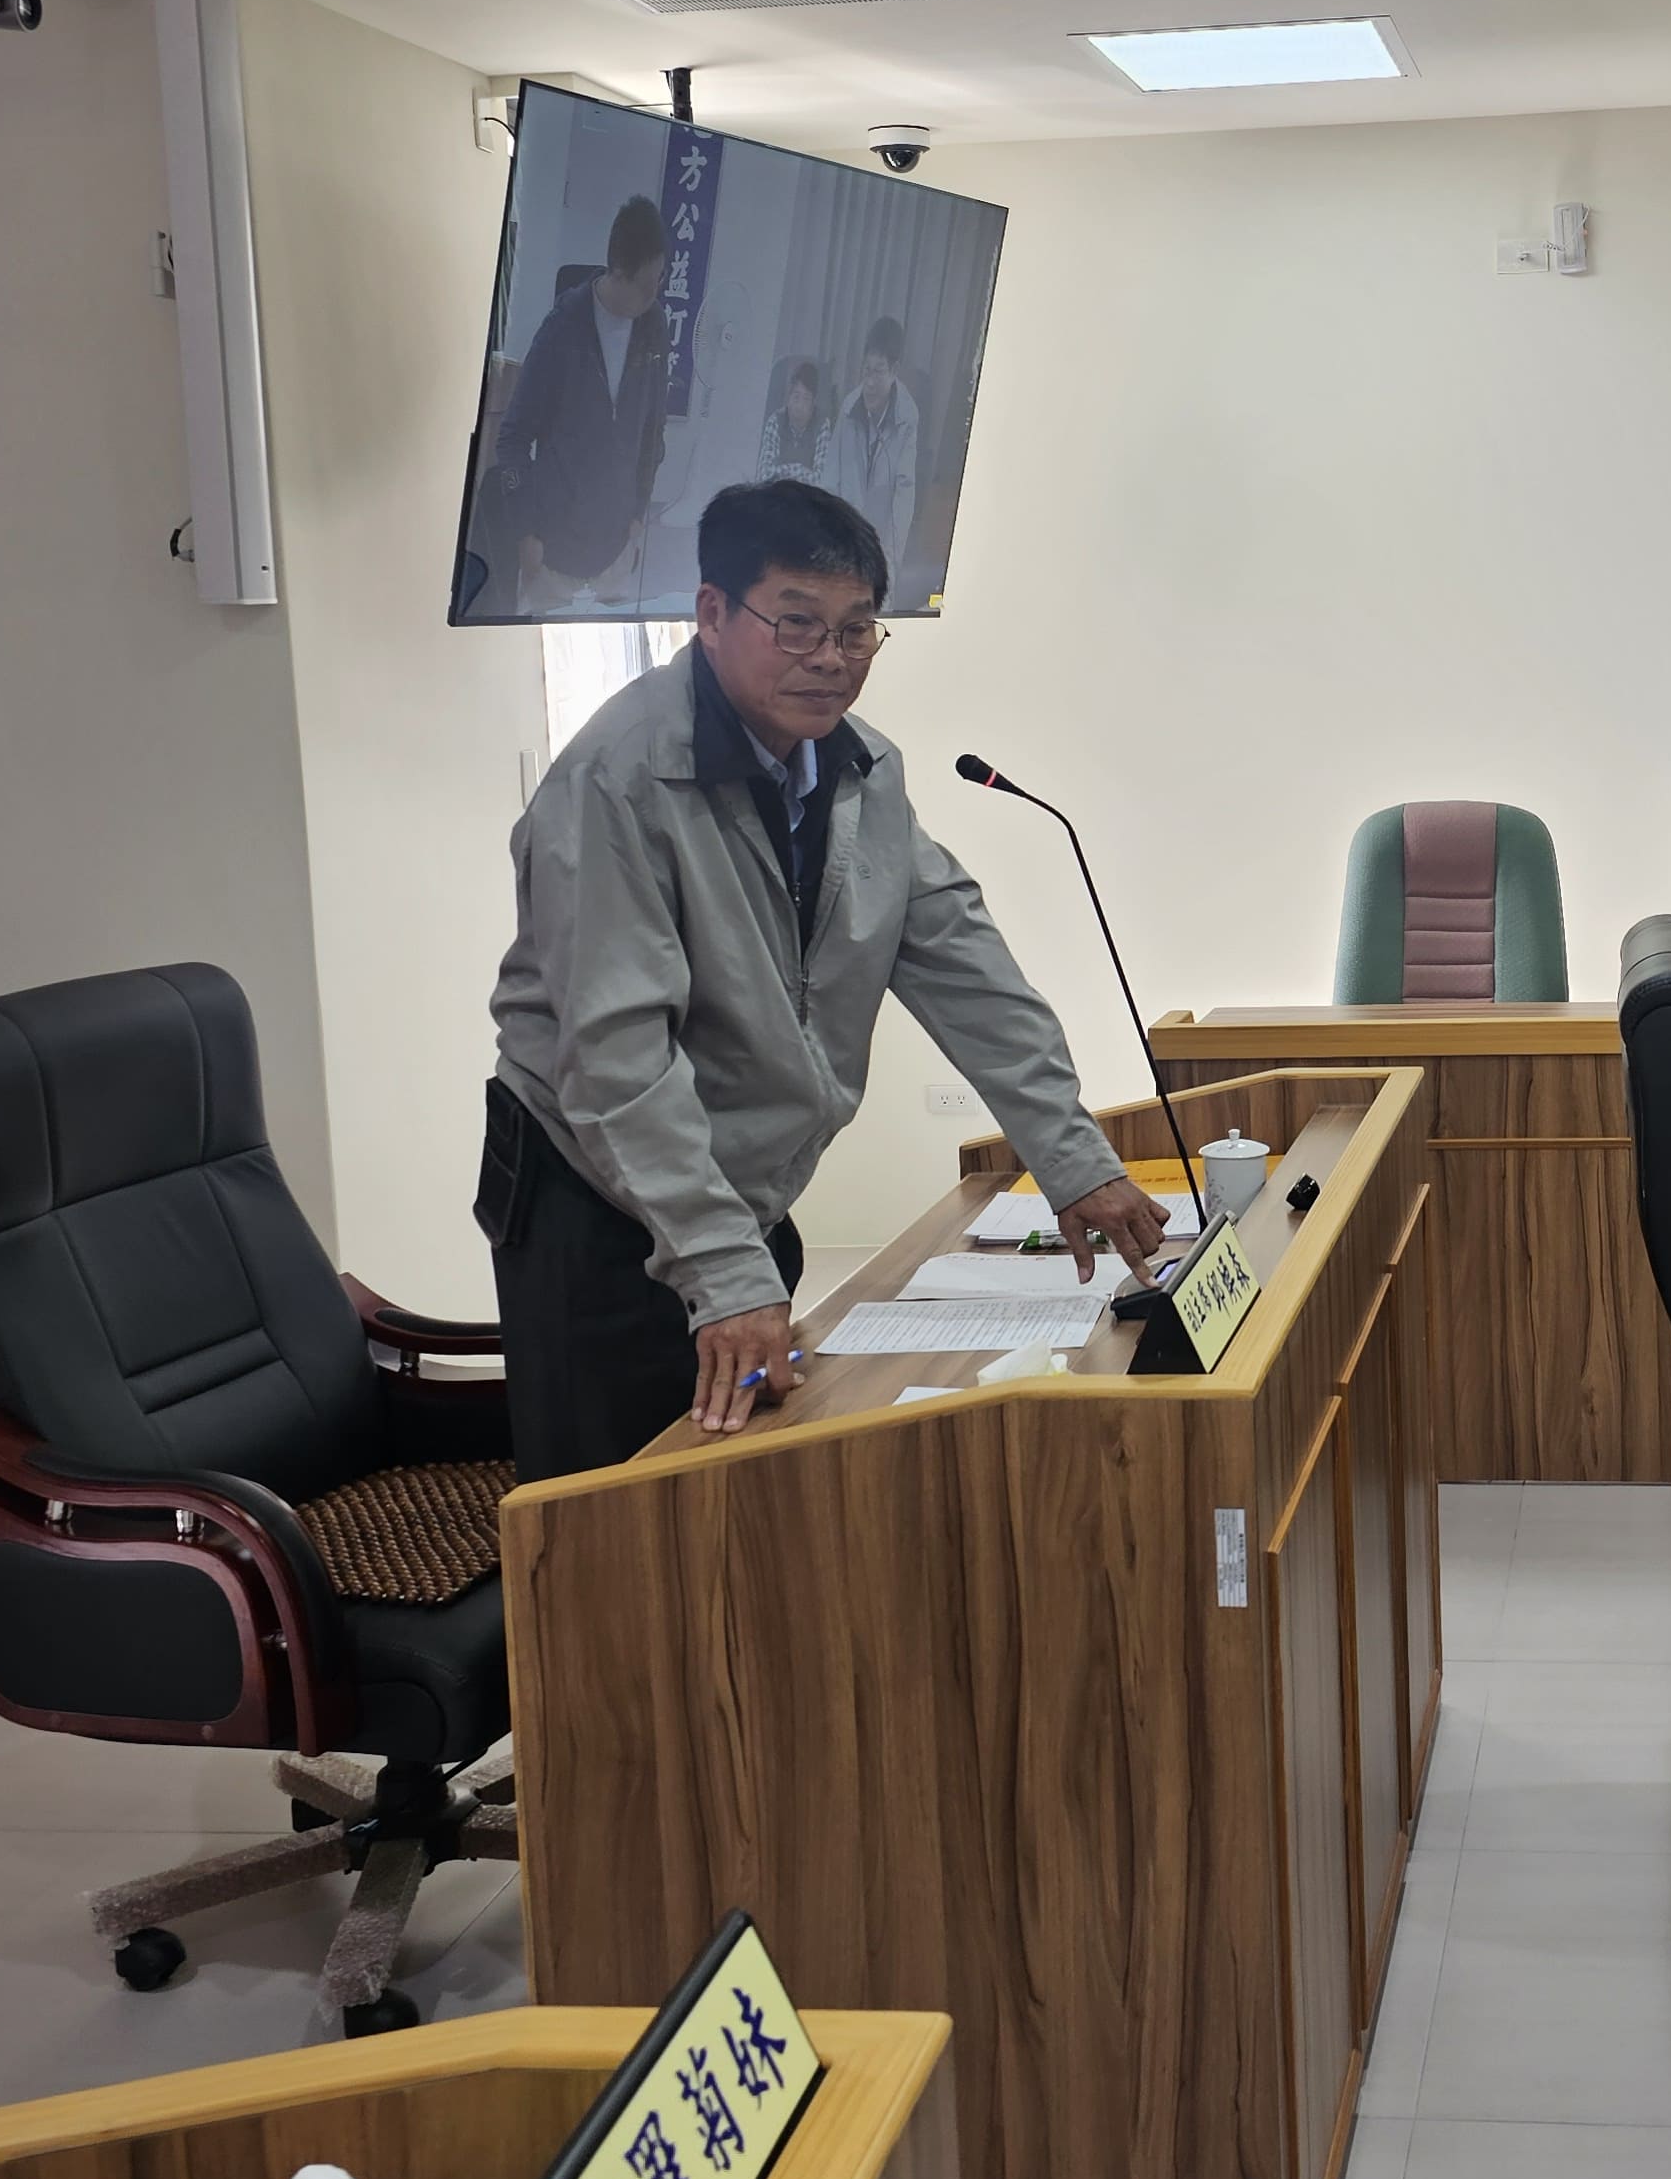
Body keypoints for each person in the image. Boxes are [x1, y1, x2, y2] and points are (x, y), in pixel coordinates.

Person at [481, 478, 1171, 1479]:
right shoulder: (614, 785)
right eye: (796, 623)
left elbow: (965, 967)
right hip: (595, 1202)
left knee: (745, 1489)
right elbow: (618, 1062)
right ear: (712, 613)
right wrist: (723, 1271)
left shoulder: (860, 770)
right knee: (615, 1510)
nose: (831, 659)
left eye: (856, 631)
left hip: (743, 1190)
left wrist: (1075, 1161)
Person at [475, 195, 671, 611]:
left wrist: (638, 513)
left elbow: (653, 430)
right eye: (647, 283)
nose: (655, 293)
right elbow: (512, 438)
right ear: (619, 271)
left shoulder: (653, 326)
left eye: (661, 279)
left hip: (617, 551)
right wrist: (527, 532)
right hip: (553, 555)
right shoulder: (563, 330)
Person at [823, 316, 922, 585]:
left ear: (894, 370)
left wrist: (891, 560)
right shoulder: (849, 408)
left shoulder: (906, 418)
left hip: (880, 542)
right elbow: (831, 478)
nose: (869, 382)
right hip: (843, 534)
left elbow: (903, 494)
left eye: (878, 372)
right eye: (866, 370)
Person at [758, 358, 830, 487]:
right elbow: (764, 476)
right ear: (788, 398)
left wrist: (784, 472)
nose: (800, 405)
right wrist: (800, 470)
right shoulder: (775, 421)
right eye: (796, 397)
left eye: (806, 399)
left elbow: (822, 480)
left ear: (813, 403)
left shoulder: (823, 425)